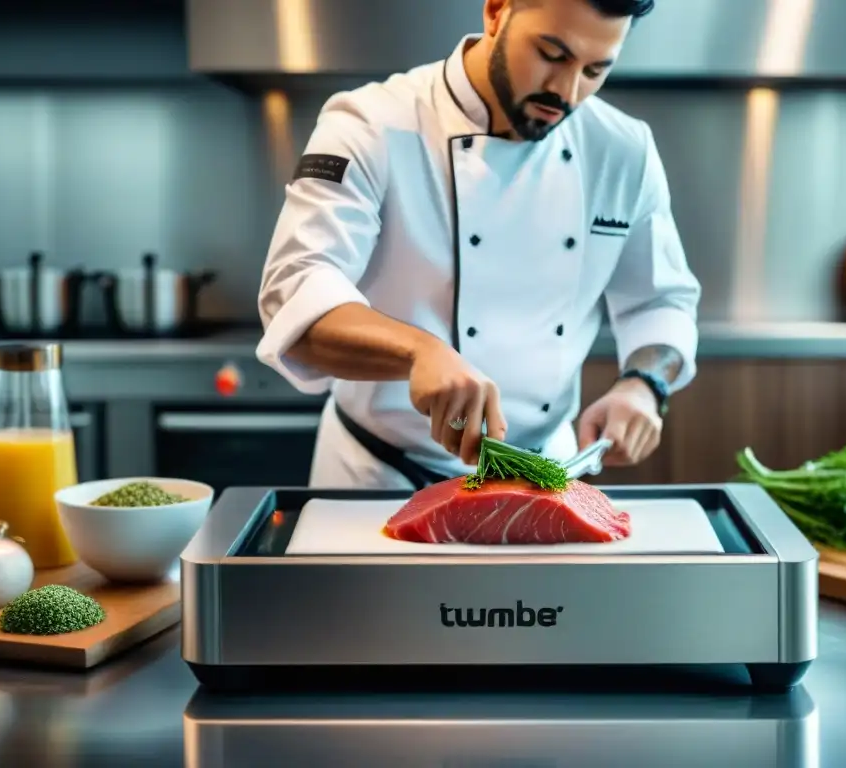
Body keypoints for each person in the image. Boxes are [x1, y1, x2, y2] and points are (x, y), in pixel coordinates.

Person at [256, 0, 701, 490]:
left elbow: (661, 301)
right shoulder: (369, 124)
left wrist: (643, 384)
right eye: (551, 54)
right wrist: (417, 352)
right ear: (495, 12)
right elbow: (295, 291)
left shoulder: (623, 150)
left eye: (596, 70)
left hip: (541, 475)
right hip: (377, 475)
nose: (567, 91)